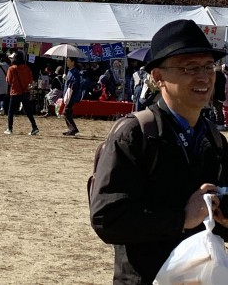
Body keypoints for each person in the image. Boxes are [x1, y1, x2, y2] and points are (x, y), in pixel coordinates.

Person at [89, 19, 228, 284]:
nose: (204, 76)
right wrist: (180, 219)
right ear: (157, 77)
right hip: (145, 277)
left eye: (209, 66)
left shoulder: (215, 139)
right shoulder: (136, 134)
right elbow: (107, 218)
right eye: (190, 67)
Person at [3, 52, 39, 135]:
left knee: (11, 111)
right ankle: (34, 127)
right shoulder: (27, 68)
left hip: (15, 92)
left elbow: (8, 81)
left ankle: (9, 128)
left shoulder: (11, 68)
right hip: (25, 91)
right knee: (28, 111)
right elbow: (30, 80)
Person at [61, 57, 81, 136]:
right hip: (68, 94)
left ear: (73, 62)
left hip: (72, 94)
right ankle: (72, 129)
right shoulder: (70, 71)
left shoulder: (75, 72)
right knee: (66, 112)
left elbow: (75, 83)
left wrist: (68, 80)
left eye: (68, 61)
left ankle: (73, 129)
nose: (67, 62)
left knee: (66, 111)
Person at [213, 63, 226, 129]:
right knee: (220, 110)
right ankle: (222, 124)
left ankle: (219, 124)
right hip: (222, 95)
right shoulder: (223, 76)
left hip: (217, 96)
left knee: (217, 111)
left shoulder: (216, 76)